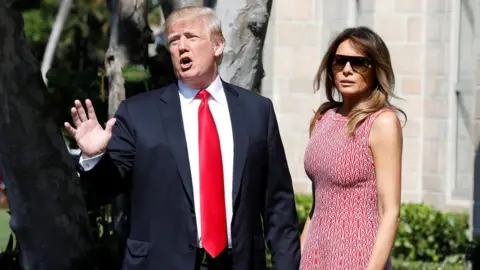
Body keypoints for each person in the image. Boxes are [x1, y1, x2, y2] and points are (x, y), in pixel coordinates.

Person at [64, 6, 300, 270]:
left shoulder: (257, 111)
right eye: (174, 41)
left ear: (218, 46)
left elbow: (279, 205)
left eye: (191, 37)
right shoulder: (139, 113)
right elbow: (101, 191)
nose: (181, 47)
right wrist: (94, 157)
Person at [299, 26, 404, 270]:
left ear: (376, 69)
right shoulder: (323, 118)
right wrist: (298, 258)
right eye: (340, 61)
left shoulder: (382, 122)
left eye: (359, 63)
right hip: (314, 257)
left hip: (358, 259)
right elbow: (317, 207)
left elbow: (390, 213)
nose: (347, 70)